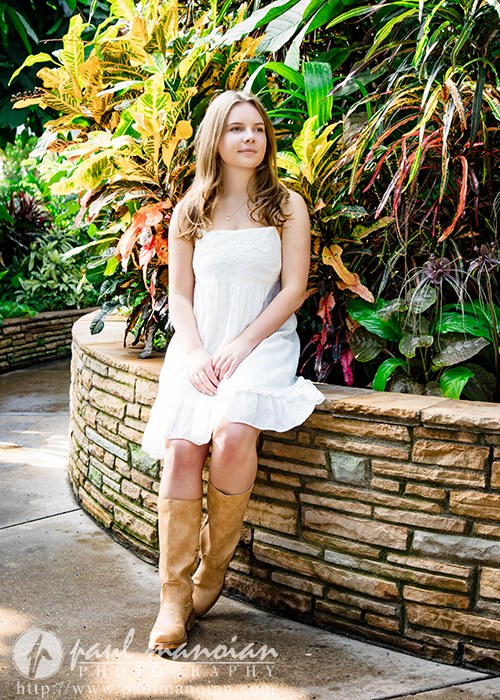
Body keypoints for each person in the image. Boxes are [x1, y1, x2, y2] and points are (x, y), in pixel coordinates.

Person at [141, 90, 325, 651]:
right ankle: (173, 596)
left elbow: (294, 289)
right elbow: (180, 295)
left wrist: (244, 344)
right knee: (180, 449)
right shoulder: (190, 210)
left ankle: (212, 569)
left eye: (259, 130)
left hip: (260, 342)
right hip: (200, 342)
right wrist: (195, 352)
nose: (251, 138)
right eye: (237, 129)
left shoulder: (287, 205)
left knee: (233, 433)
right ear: (215, 140)